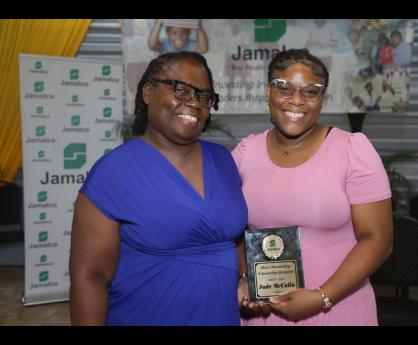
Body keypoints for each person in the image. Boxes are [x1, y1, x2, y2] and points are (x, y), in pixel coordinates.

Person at [69, 51, 248, 325]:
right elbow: (89, 277)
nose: (194, 103)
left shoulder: (222, 159)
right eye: (181, 89)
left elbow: (234, 238)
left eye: (203, 96)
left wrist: (246, 279)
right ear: (148, 92)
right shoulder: (113, 172)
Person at [233, 48, 393, 326]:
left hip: (336, 308)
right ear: (267, 91)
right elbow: (232, 229)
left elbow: (378, 241)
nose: (296, 101)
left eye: (310, 91)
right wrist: (245, 278)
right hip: (266, 312)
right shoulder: (246, 152)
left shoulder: (352, 150)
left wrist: (322, 298)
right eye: (284, 88)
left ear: (322, 99)